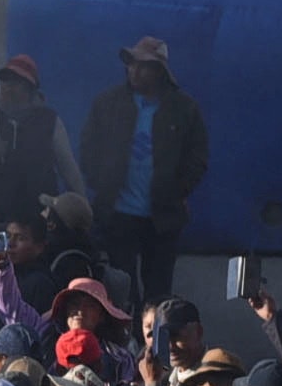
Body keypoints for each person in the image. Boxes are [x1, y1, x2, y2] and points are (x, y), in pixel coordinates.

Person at [79, 37, 209, 305]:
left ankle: (157, 343)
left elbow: (198, 155)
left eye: (143, 66)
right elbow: (88, 148)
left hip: (163, 215)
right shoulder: (108, 103)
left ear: (160, 71)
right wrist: (101, 183)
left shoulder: (183, 108)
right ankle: (126, 341)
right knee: (121, 289)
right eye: (131, 65)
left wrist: (178, 190)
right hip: (118, 213)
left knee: (159, 292)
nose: (134, 71)